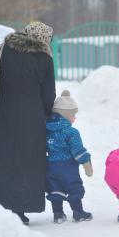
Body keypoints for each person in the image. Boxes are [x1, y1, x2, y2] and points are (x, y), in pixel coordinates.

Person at [0, 22, 56, 225]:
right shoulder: (44, 59)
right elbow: (48, 96)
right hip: (31, 121)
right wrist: (44, 115)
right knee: (24, 164)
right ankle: (18, 208)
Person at [45, 90, 93, 223]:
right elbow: (78, 151)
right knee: (74, 187)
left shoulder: (46, 129)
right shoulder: (71, 132)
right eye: (73, 114)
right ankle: (78, 212)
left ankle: (58, 214)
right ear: (65, 115)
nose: (74, 118)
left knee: (55, 189)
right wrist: (87, 164)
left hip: (51, 166)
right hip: (68, 166)